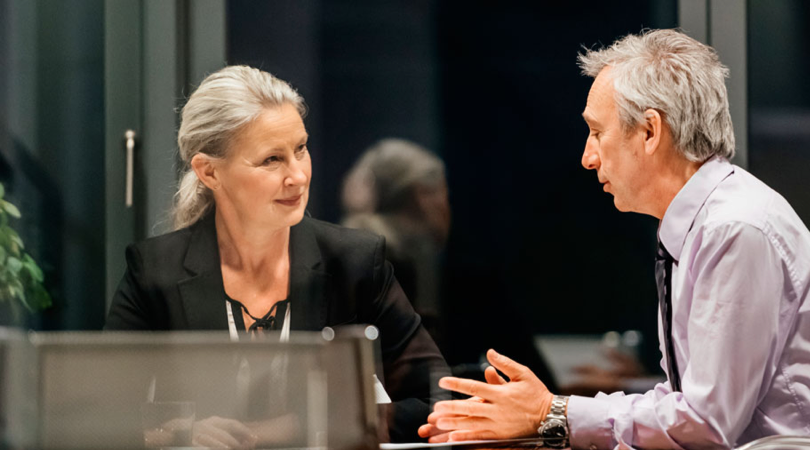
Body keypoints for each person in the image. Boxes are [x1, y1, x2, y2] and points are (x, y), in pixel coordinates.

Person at [420, 29, 810, 449]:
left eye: (596, 132)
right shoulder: (707, 220)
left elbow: (705, 423)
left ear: (649, 132)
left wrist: (551, 412)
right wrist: (555, 410)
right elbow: (687, 406)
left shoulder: (732, 228)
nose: (587, 158)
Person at [105, 65, 447, 445]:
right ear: (209, 172)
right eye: (272, 159)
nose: (297, 176)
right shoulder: (155, 271)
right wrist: (178, 435)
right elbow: (99, 416)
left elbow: (436, 400)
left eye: (300, 149)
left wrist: (298, 426)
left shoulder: (355, 262)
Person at [341, 138, 450, 344]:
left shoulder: (344, 247)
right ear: (421, 195)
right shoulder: (395, 264)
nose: (446, 205)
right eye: (443, 192)